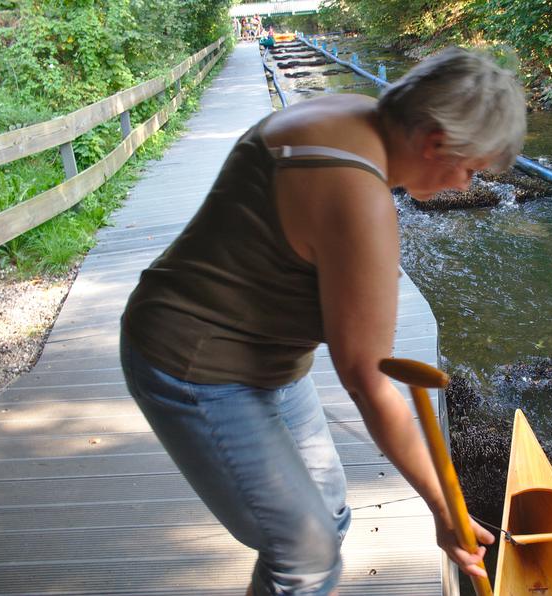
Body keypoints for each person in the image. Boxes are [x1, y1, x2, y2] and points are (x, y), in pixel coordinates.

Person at [119, 47, 526, 596]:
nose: (464, 187)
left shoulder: (349, 114)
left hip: (260, 357)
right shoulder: (357, 198)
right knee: (303, 553)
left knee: (328, 515)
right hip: (195, 362)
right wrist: (442, 504)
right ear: (435, 143)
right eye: (470, 169)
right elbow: (367, 379)